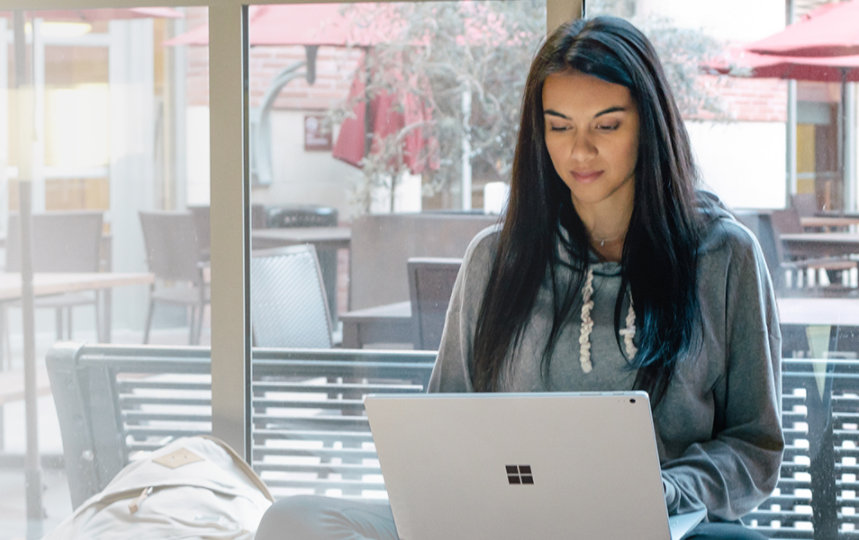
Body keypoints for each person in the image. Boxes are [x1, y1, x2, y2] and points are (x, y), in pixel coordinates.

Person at [255, 15, 783, 540]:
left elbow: (754, 446)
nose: (580, 150)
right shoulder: (494, 258)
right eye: (559, 126)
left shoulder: (724, 256)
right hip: (500, 524)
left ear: (648, 124)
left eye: (606, 125)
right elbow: (445, 422)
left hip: (651, 528)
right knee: (293, 520)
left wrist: (670, 489)